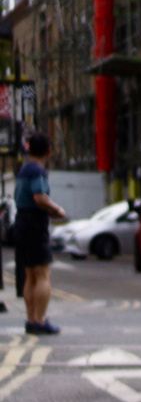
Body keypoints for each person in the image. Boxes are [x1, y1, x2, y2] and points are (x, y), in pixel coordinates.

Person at [13, 133, 67, 335]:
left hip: (21, 222)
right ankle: (40, 320)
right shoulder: (38, 170)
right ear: (48, 151)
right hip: (34, 224)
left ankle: (30, 319)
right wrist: (57, 210)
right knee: (43, 274)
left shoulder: (23, 170)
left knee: (30, 275)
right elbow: (39, 197)